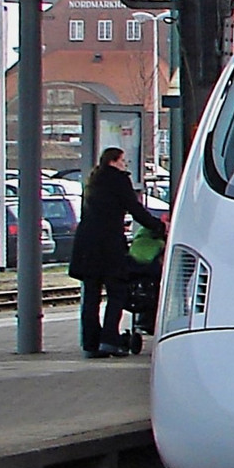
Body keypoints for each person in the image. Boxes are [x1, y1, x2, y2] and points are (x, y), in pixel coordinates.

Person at [69, 148, 166, 359]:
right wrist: (158, 227)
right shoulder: (119, 180)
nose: (125, 164)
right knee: (117, 293)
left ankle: (90, 343)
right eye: (122, 160)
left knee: (91, 295)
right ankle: (109, 340)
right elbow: (134, 208)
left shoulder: (92, 181)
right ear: (114, 161)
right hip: (109, 244)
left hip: (86, 245)